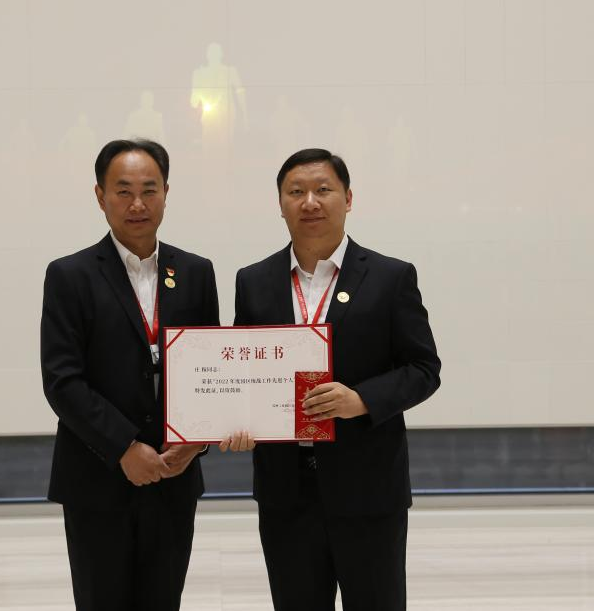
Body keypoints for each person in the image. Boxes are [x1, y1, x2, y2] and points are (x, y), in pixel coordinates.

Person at [225, 147, 442, 611]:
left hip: (368, 488)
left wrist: (360, 399)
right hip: (285, 492)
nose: (310, 202)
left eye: (323, 189)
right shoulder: (254, 281)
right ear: (280, 203)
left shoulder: (390, 277)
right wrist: (235, 417)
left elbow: (424, 369)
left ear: (348, 198)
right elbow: (243, 372)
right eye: (296, 192)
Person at [40, 139, 218, 611]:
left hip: (173, 474)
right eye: (123, 191)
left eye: (149, 190)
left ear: (166, 193)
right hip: (97, 477)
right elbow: (62, 381)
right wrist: (123, 446)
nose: (137, 204)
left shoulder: (196, 272)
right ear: (100, 196)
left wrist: (196, 443)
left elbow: (210, 371)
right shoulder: (70, 275)